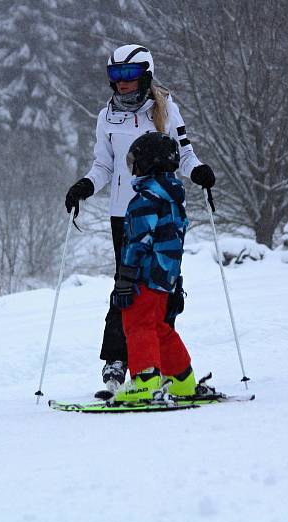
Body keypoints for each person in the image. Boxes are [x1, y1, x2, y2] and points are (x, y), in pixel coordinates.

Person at [64, 44, 216, 390]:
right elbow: (103, 165)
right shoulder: (106, 117)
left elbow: (186, 154)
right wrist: (85, 187)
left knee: (163, 288)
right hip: (125, 214)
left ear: (144, 76)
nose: (122, 83)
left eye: (129, 76)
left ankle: (160, 364)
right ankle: (117, 361)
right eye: (116, 76)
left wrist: (200, 172)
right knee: (127, 286)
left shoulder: (165, 109)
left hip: (164, 213)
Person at [110, 132, 199, 402]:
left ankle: (145, 381)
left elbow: (138, 242)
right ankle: (181, 379)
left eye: (135, 163)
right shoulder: (174, 199)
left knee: (137, 325)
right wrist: (175, 281)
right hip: (164, 278)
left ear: (149, 163)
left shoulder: (145, 200)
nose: (132, 169)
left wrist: (125, 279)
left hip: (144, 277)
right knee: (159, 326)